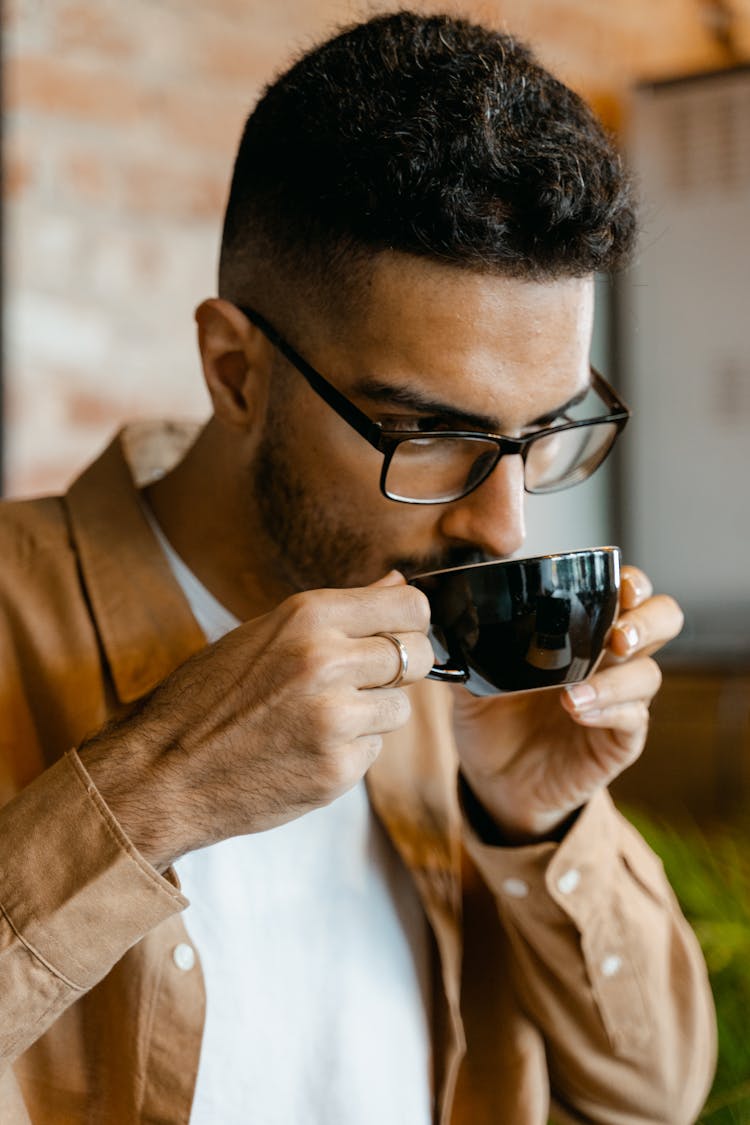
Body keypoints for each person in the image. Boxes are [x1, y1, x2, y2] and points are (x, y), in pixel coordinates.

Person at [0, 11, 716, 1124]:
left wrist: (532, 821)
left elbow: (656, 1094)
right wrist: (159, 790)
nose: (503, 529)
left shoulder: (470, 677)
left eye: (544, 434)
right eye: (430, 436)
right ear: (235, 371)